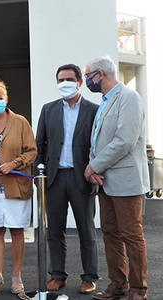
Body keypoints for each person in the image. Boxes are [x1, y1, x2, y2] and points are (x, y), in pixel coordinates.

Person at [83, 56, 149, 300]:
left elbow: (124, 140)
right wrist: (96, 169)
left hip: (125, 180)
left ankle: (138, 288)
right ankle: (117, 284)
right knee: (110, 232)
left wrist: (93, 166)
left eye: (88, 75)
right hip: (105, 181)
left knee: (132, 234)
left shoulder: (128, 98)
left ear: (100, 74)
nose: (86, 80)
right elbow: (98, 141)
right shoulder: (104, 102)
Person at [35, 64, 100, 294]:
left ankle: (90, 277)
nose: (65, 83)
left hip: (81, 177)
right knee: (54, 231)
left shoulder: (94, 110)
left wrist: (95, 174)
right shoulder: (49, 109)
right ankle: (57, 275)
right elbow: (39, 145)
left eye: (69, 79)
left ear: (80, 82)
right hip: (54, 179)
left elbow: (98, 146)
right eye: (61, 80)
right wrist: (39, 176)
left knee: (86, 230)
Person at [0, 79, 36, 296]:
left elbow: (32, 151)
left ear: (6, 99)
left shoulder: (20, 122)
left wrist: (15, 163)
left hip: (17, 188)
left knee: (17, 231)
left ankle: (16, 277)